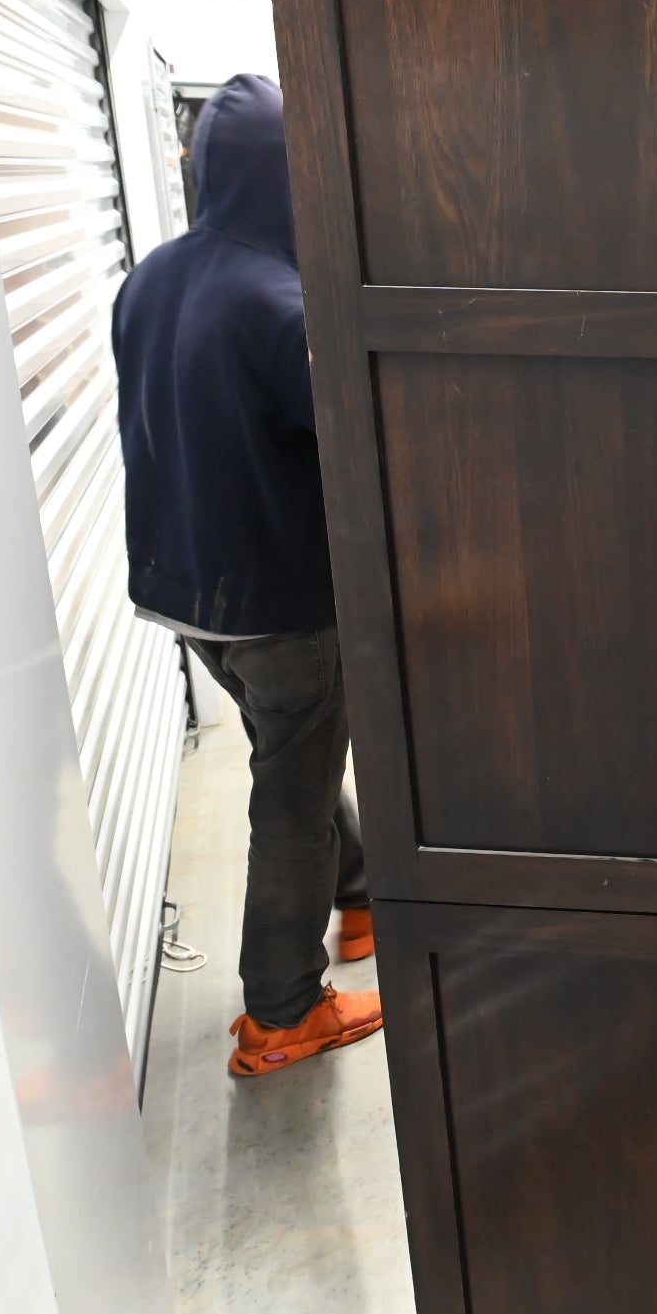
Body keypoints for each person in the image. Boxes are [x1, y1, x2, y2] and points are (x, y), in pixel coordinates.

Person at [114, 73, 381, 1077]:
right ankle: (280, 1009)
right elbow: (351, 445)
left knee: (293, 752)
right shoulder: (279, 303)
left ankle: (357, 904)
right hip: (276, 598)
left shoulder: (154, 276)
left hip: (185, 591)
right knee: (291, 793)